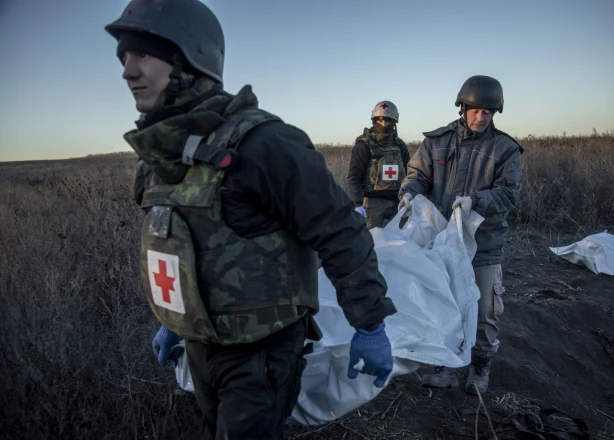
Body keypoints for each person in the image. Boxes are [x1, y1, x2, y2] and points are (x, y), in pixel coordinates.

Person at [105, 1, 397, 438]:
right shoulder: (160, 156)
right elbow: (181, 248)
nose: (128, 71)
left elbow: (339, 228)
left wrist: (370, 324)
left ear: (191, 59)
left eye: (143, 54)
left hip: (260, 352)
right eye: (123, 57)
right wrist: (171, 322)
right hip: (201, 344)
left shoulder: (264, 143)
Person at [398, 75, 523, 395]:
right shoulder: (436, 141)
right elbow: (417, 175)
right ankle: (446, 367)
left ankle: (480, 368)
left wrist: (475, 202)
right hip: (441, 242)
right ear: (463, 107)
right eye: (476, 110)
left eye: (488, 112)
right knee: (446, 304)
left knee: (484, 310)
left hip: (484, 243)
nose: (481, 117)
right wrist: (410, 193)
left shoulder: (505, 149)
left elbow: (509, 195)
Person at [348, 101, 410, 229]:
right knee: (372, 243)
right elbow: (354, 176)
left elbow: (410, 172)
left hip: (398, 201)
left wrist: (409, 195)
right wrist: (357, 203)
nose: (383, 124)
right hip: (372, 204)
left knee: (401, 241)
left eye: (387, 120)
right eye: (379, 120)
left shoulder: (399, 145)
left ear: (394, 122)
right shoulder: (364, 145)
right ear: (374, 120)